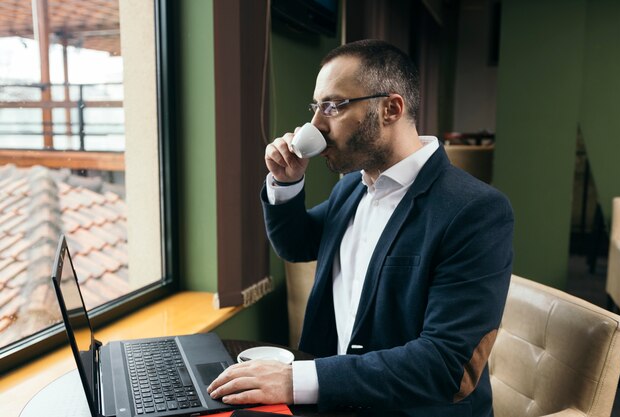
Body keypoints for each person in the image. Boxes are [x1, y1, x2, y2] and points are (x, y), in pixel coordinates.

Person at [208, 39, 514, 416]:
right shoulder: (353, 186)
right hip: (337, 402)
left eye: (333, 106)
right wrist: (286, 184)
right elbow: (298, 244)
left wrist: (295, 380)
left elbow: (447, 365)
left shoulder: (476, 211)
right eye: (316, 107)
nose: (315, 126)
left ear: (391, 108)